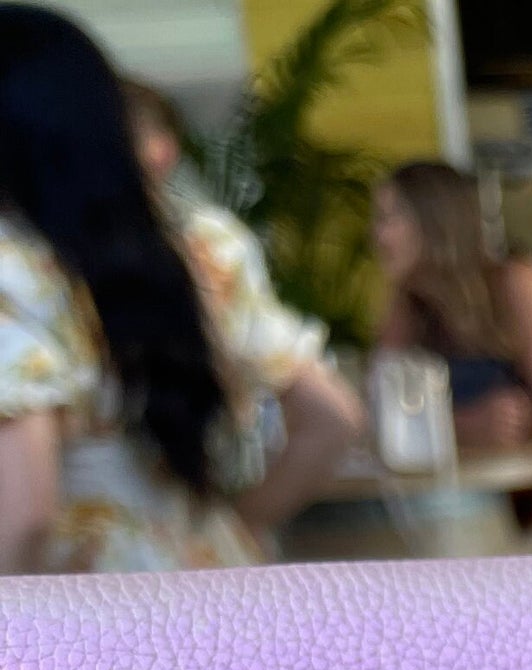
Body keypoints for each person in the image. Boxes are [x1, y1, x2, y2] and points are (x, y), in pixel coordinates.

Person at [0, 12, 360, 573]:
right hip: (212, 588)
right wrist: (240, 523)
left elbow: (24, 524)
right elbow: (332, 419)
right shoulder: (204, 246)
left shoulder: (11, 273)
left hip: (87, 625)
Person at [371, 161, 532, 452]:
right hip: (443, 484)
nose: (378, 235)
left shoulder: (511, 281)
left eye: (391, 218)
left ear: (435, 222)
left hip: (518, 478)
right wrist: (464, 425)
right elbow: (381, 419)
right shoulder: (408, 302)